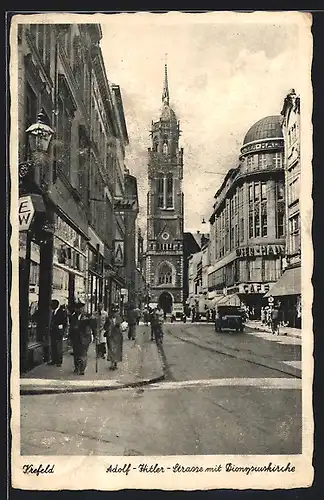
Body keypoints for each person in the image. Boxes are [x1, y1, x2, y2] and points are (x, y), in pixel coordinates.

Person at [69, 302, 93, 375]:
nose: (79, 309)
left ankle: (82, 369)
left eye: (81, 308)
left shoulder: (87, 316)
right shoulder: (73, 317)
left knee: (83, 354)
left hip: (84, 338)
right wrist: (70, 337)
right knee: (76, 354)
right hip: (75, 338)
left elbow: (92, 326)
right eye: (78, 308)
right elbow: (71, 327)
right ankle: (77, 367)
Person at [48, 299, 68, 367]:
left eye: (52, 305)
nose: (51, 306)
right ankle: (54, 360)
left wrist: (62, 329)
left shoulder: (61, 312)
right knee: (53, 346)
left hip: (58, 332)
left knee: (58, 347)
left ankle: (59, 361)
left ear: (55, 305)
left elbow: (64, 322)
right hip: (53, 332)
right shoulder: (53, 312)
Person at [105, 304, 123, 370]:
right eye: (113, 312)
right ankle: (112, 363)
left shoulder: (119, 318)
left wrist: (119, 326)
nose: (114, 314)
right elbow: (105, 327)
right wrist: (108, 328)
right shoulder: (108, 319)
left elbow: (122, 327)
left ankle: (115, 362)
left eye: (115, 312)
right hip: (111, 336)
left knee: (117, 350)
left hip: (118, 336)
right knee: (111, 349)